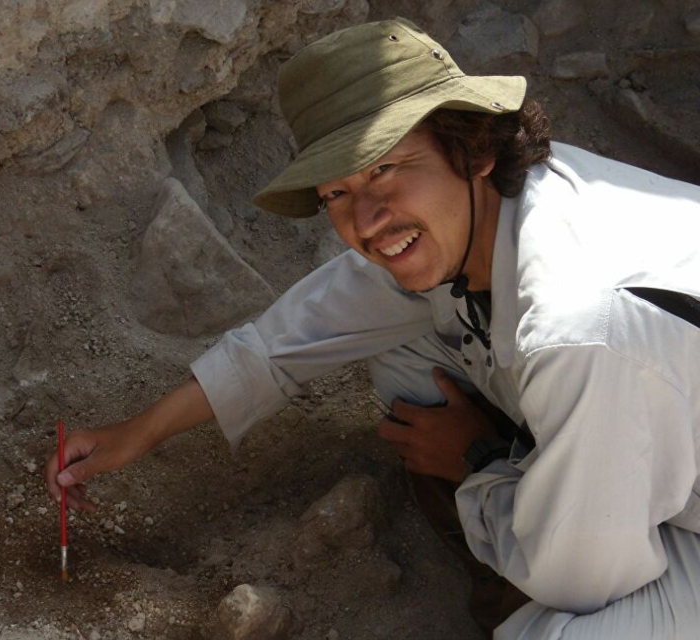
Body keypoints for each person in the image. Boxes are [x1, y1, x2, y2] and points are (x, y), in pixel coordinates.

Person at [45, 17, 700, 639]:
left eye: (384, 168)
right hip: (644, 427)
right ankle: (531, 517)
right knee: (408, 357)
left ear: (471, 147)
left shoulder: (573, 320)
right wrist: (138, 433)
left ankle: (523, 543)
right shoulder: (488, 208)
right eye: (337, 194)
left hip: (673, 502)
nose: (366, 219)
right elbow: (290, 340)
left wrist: (478, 460)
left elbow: (581, 578)